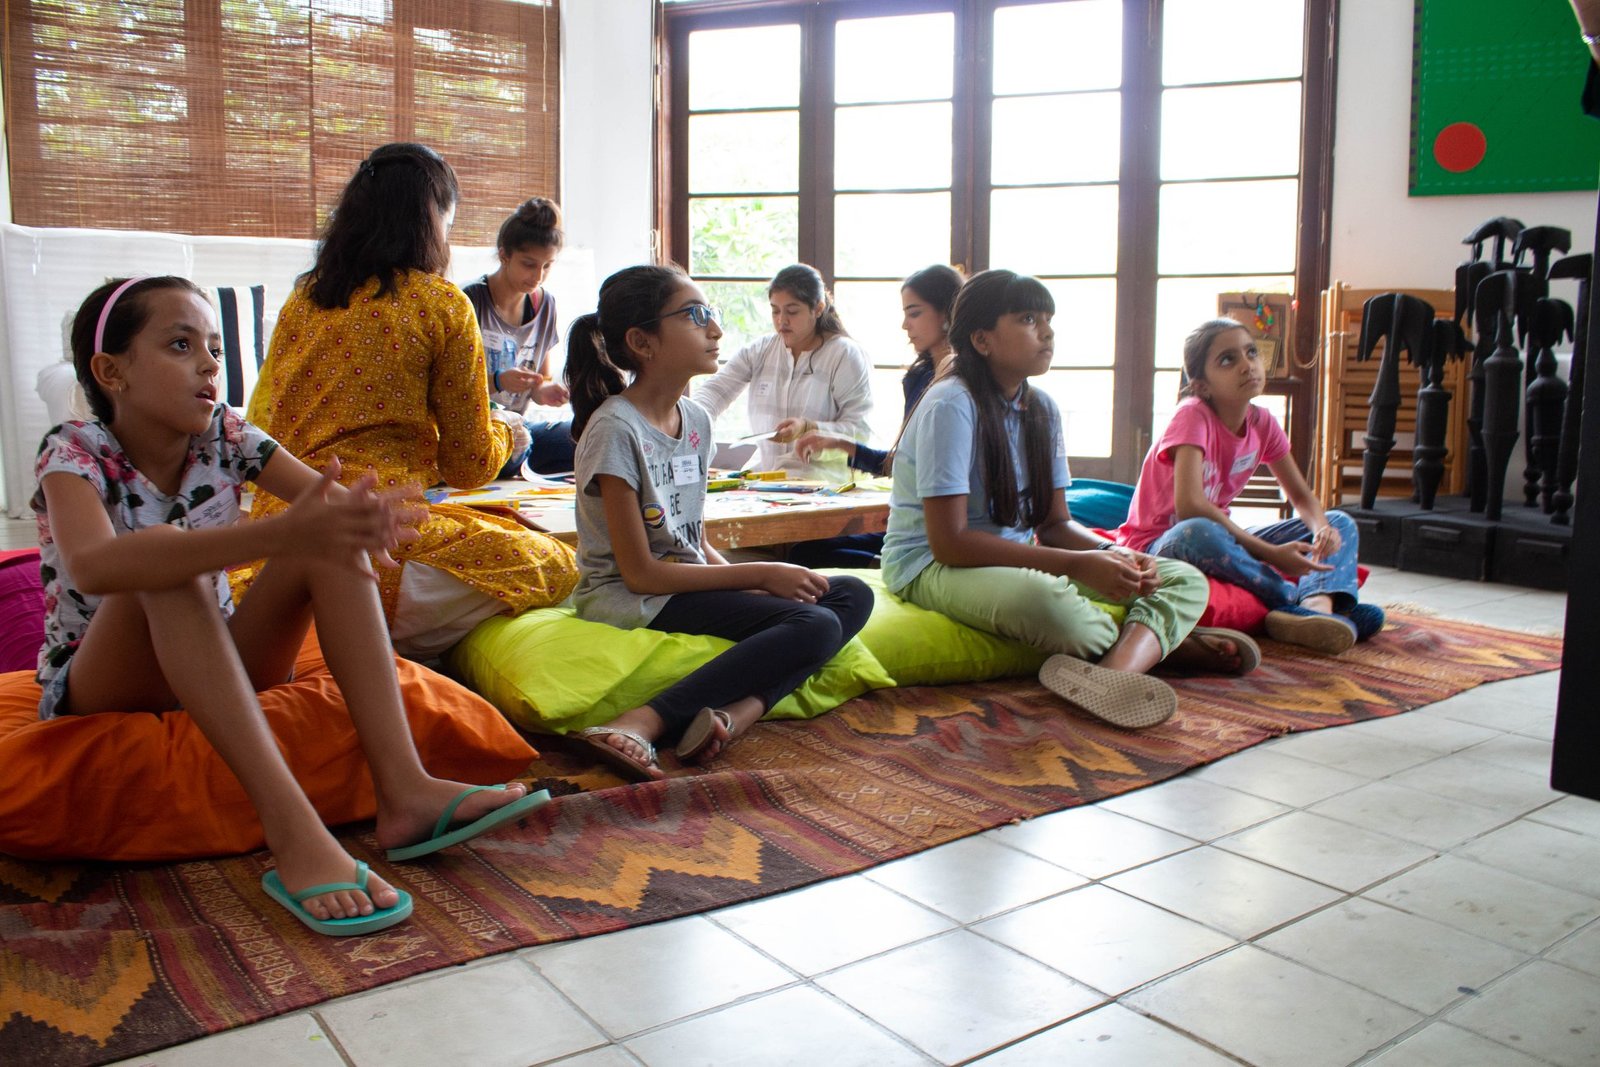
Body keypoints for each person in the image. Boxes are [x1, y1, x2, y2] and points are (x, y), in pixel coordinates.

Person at [34, 276, 548, 937]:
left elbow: (324, 506)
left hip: (213, 657)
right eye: (180, 344)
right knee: (166, 559)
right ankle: (295, 833)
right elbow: (94, 566)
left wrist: (364, 518)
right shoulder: (73, 449)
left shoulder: (226, 433)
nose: (208, 364)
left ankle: (407, 791)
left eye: (214, 349)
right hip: (104, 678)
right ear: (112, 372)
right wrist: (275, 534)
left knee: (328, 542)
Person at [881, 270, 1259, 731]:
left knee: (1183, 579)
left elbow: (1054, 524)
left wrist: (1110, 553)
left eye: (1048, 319)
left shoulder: (1041, 409)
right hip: (929, 567)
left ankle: (1112, 671)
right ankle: (1163, 647)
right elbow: (949, 544)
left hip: (1008, 558)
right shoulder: (951, 404)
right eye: (1028, 319)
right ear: (982, 339)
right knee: (1045, 604)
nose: (1047, 332)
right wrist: (1075, 566)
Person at [245, 143, 578, 660]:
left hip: (273, 543)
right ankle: (402, 637)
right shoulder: (442, 303)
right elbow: (468, 465)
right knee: (559, 564)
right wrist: (509, 430)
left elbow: (265, 422)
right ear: (432, 220)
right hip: (377, 542)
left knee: (497, 522)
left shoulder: (305, 297)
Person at [564, 264, 874, 779]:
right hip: (630, 595)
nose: (716, 329)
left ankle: (737, 713)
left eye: (711, 313)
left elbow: (693, 537)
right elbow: (639, 573)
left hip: (681, 583)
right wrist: (761, 574)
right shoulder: (615, 428)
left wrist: (746, 583)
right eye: (695, 315)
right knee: (816, 623)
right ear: (642, 341)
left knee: (850, 594)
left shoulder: (697, 421)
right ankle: (641, 721)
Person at [1116, 318, 1383, 655]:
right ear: (1201, 386)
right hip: (1160, 542)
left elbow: (1301, 497)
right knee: (1199, 532)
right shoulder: (1192, 414)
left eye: (1251, 353)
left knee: (1340, 520)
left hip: (1221, 534)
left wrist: (1321, 529)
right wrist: (1269, 553)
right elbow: (1190, 506)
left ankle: (1318, 606)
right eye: (1228, 360)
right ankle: (1291, 600)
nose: (1247, 365)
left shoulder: (1263, 423)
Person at [788, 264, 964, 566]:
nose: (905, 325)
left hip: (942, 526)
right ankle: (886, 563)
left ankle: (895, 565)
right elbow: (904, 463)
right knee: (805, 550)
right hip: (910, 522)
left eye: (914, 313)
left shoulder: (963, 385)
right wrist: (842, 445)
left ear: (948, 313)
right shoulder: (918, 378)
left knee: (810, 555)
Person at [692, 263, 872, 481]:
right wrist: (685, 422)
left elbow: (860, 432)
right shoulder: (760, 350)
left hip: (823, 485)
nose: (781, 320)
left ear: (818, 308)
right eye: (775, 310)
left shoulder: (845, 354)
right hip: (765, 480)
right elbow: (715, 392)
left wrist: (808, 428)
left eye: (792, 311)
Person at [462, 197, 575, 476]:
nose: (538, 276)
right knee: (516, 446)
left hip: (520, 428)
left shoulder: (545, 305)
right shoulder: (470, 301)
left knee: (584, 438)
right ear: (504, 255)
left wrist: (543, 391)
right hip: (476, 431)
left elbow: (539, 379)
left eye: (547, 266)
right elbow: (452, 388)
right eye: (529, 264)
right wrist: (498, 380)